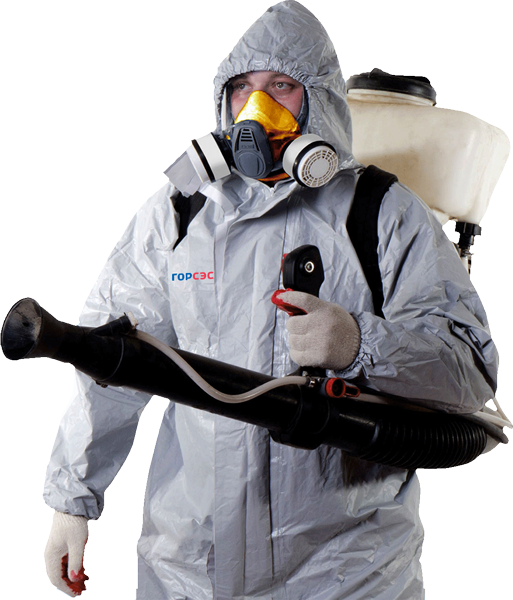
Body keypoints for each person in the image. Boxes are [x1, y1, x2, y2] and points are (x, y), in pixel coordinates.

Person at [42, 1, 499, 599]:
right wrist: (71, 501)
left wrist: (359, 343)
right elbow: (111, 360)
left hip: (347, 573)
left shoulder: (381, 212)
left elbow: (469, 369)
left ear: (320, 100)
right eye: (242, 89)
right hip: (192, 564)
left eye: (282, 86)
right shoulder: (180, 212)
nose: (257, 109)